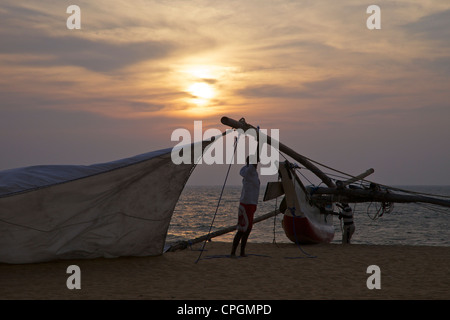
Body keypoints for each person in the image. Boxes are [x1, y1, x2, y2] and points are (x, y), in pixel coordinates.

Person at [231, 155, 260, 257]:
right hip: (247, 204)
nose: (257, 164)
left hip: (251, 203)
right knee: (243, 229)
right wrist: (260, 142)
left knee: (247, 229)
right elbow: (254, 160)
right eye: (256, 162)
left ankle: (242, 252)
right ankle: (233, 252)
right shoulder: (249, 171)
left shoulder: (252, 173)